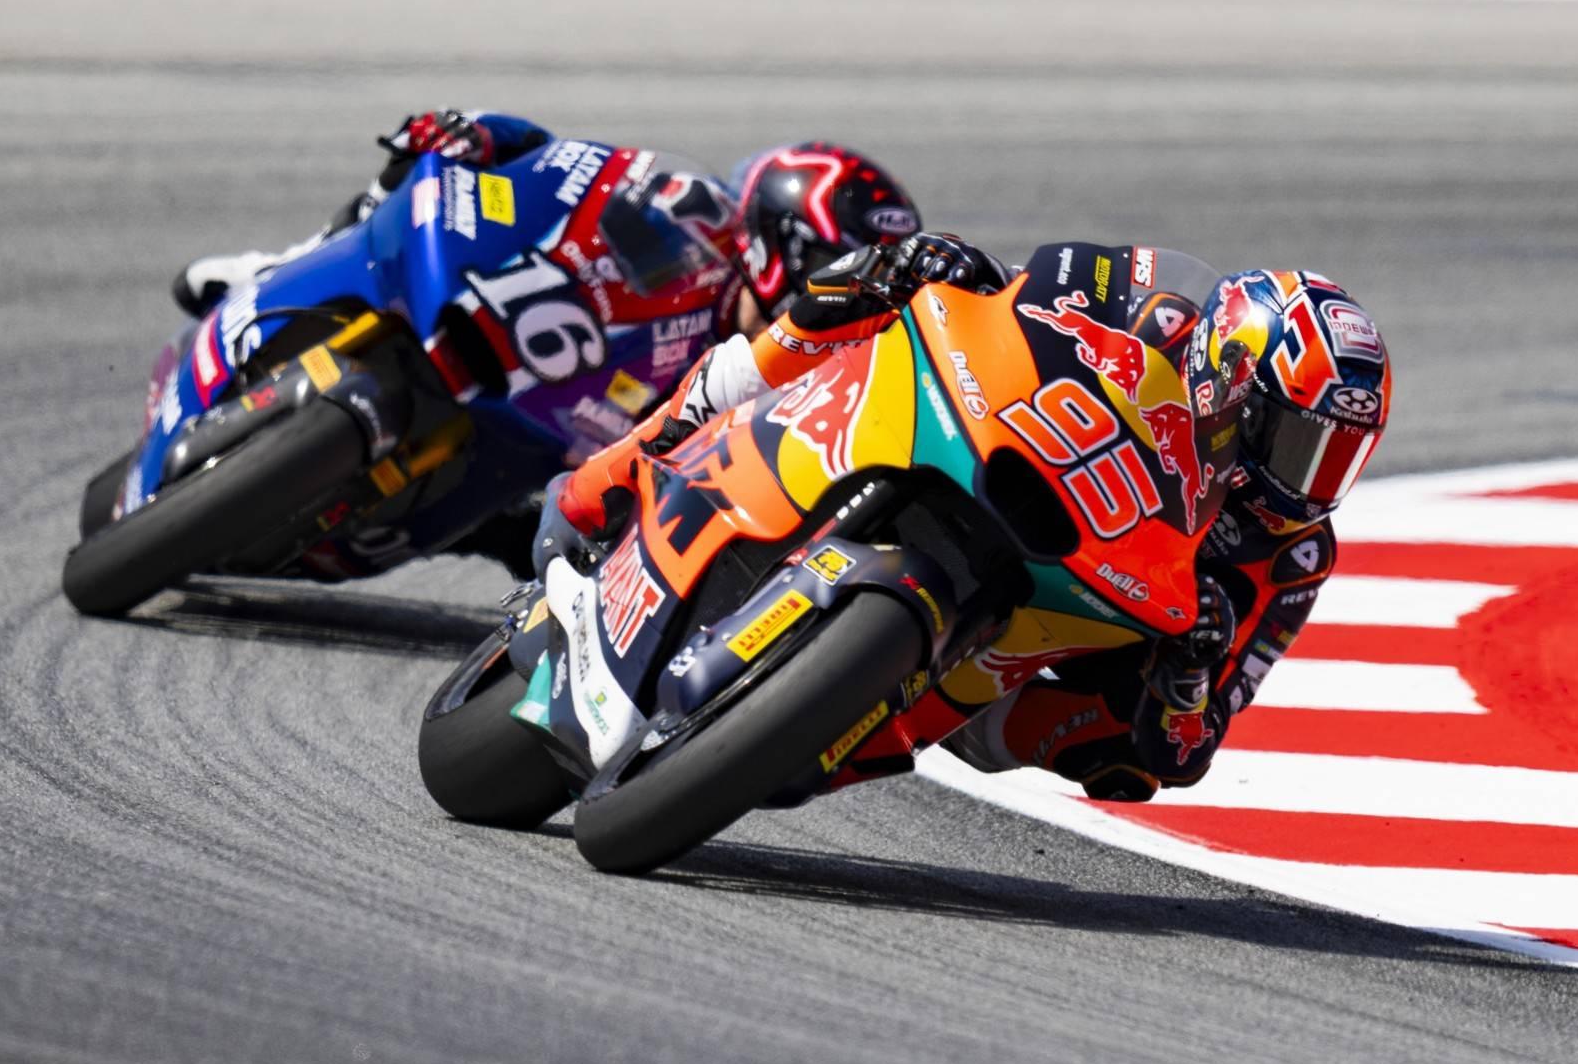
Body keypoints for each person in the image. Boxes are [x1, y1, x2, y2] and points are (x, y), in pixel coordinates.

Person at [536, 235, 1393, 800]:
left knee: (1124, 759)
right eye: (1299, 442)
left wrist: (1191, 672)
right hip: (1003, 452)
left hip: (1060, 614)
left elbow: (1188, 750)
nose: (1309, 480)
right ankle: (640, 453)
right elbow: (1025, 291)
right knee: (870, 285)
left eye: (1338, 458)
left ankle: (880, 704)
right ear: (1232, 378)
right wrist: (960, 269)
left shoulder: (1292, 560)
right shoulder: (1153, 313)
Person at [174, 108, 922, 346]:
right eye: (835, 273)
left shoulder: (772, 383)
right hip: (515, 313)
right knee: (430, 159)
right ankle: (276, 268)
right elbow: (563, 169)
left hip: (548, 463)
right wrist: (483, 137)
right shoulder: (685, 221)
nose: (839, 303)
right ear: (783, 239)